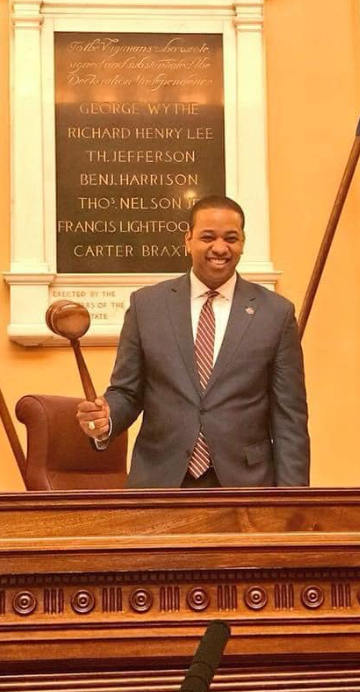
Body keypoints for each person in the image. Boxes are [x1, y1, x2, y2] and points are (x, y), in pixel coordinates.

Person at [76, 195, 310, 488]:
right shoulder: (146, 306)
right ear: (188, 240)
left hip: (246, 485)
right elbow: (127, 392)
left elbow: (289, 417)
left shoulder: (275, 313)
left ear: (243, 242)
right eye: (208, 237)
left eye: (231, 238)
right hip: (161, 483)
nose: (220, 248)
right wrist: (106, 417)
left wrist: (293, 503)